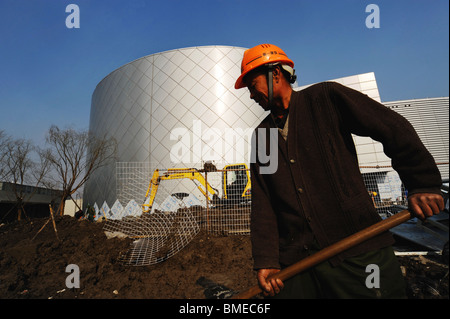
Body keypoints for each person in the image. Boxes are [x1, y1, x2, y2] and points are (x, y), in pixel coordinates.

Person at [235, 44, 444, 298]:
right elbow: (264, 201)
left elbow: (390, 127)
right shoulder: (263, 137)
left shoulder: (325, 99)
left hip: (357, 250)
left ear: (275, 74)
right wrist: (266, 258)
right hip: (298, 264)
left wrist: (421, 183)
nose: (250, 95)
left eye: (251, 85)